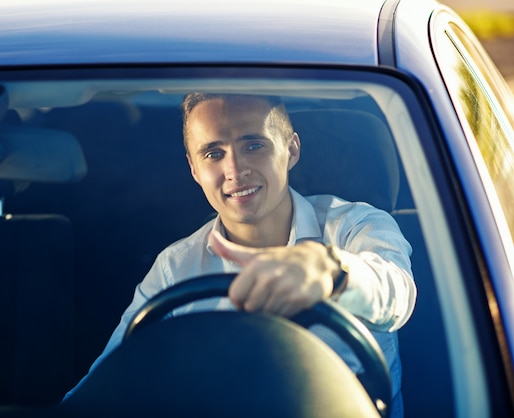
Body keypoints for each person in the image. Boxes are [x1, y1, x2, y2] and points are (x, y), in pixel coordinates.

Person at [61, 93, 416, 417]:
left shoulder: (356, 227)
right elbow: (105, 382)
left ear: (291, 150)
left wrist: (331, 271)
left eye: (254, 145)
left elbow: (396, 292)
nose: (234, 170)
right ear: (194, 169)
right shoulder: (175, 266)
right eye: (214, 154)